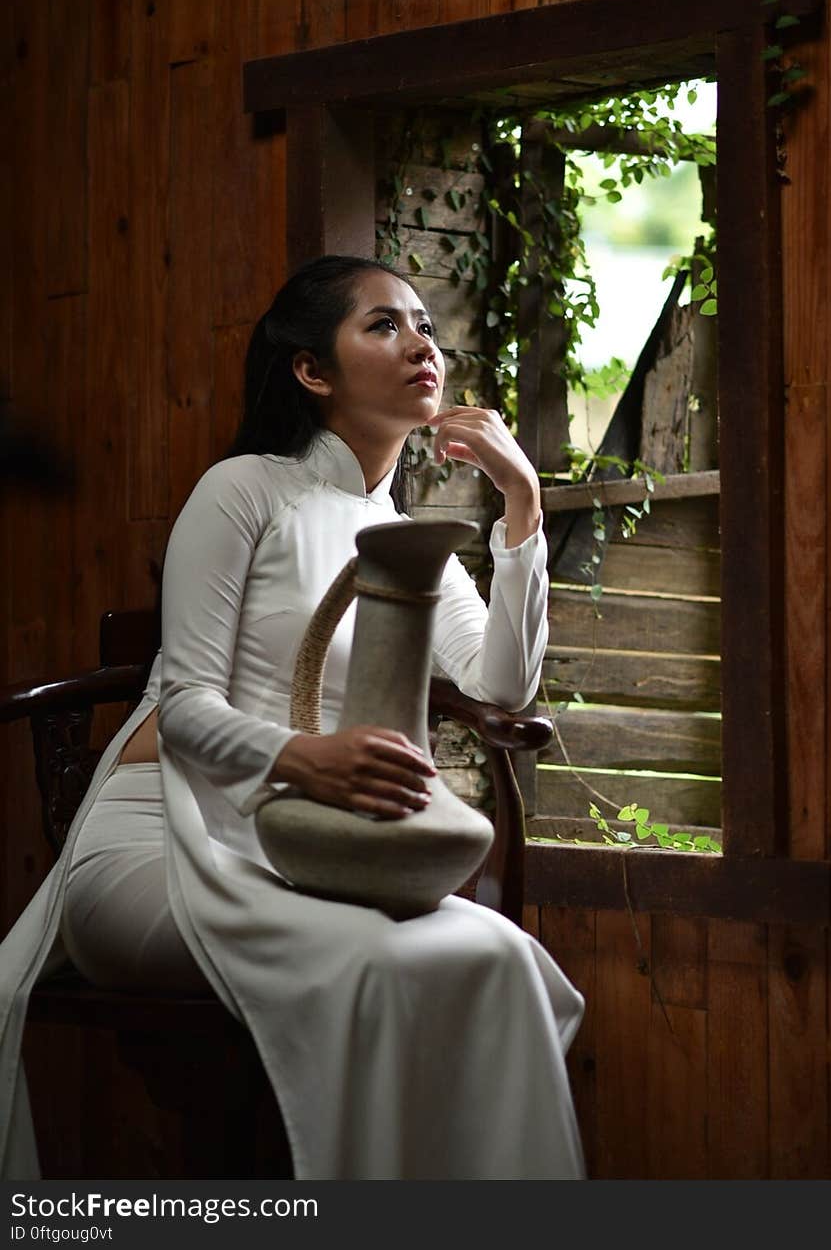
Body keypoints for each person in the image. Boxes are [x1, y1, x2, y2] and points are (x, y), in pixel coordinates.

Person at [0, 255, 586, 1180]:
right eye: (384, 325)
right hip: (157, 842)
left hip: (304, 853)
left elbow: (502, 684)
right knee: (375, 966)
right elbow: (184, 707)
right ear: (313, 370)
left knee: (501, 960)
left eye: (426, 324)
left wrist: (523, 503)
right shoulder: (243, 492)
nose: (420, 343)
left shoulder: (404, 535)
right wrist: (304, 760)